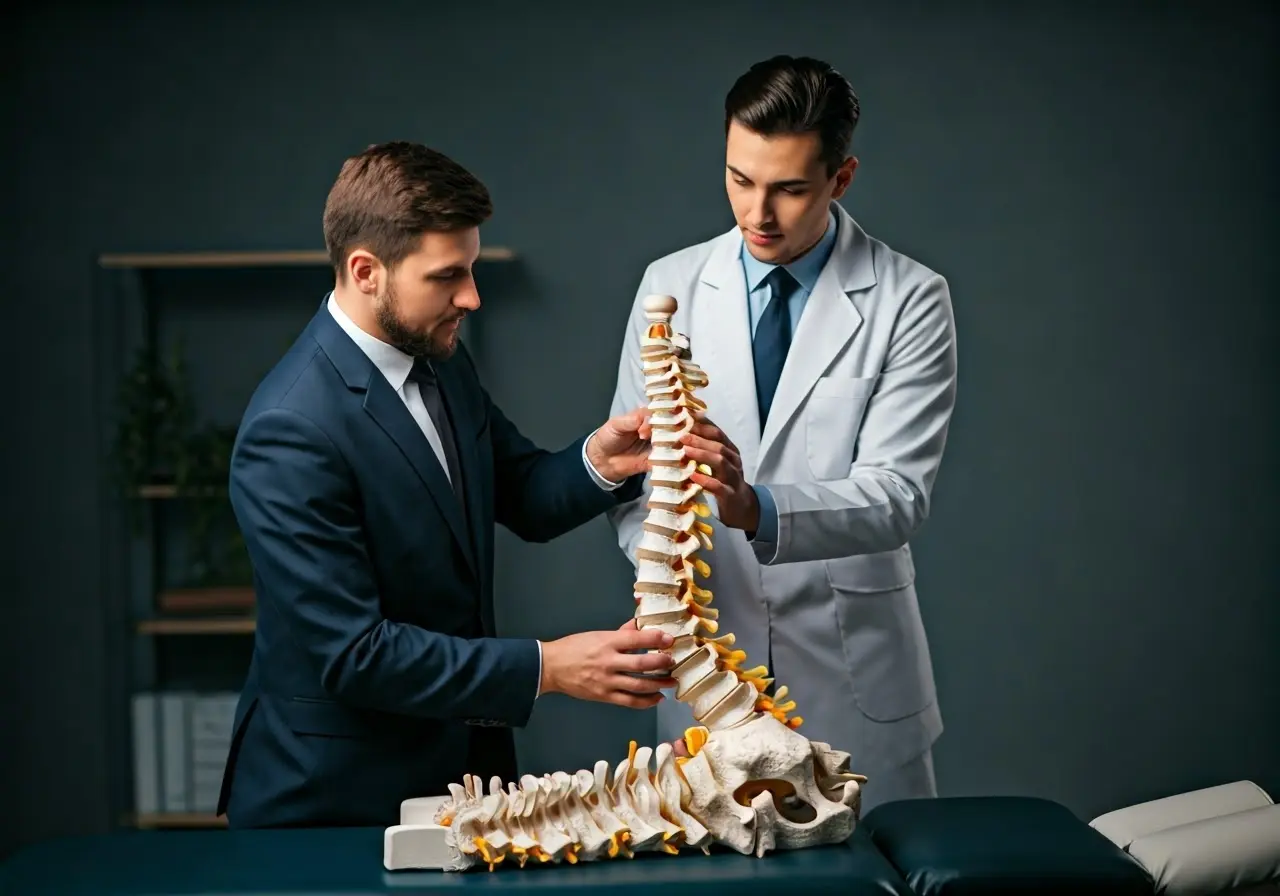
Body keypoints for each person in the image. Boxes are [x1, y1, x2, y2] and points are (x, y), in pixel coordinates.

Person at [217, 141, 687, 829]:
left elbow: (521, 490)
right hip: (330, 802)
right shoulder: (288, 430)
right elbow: (354, 654)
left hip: (461, 776)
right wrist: (547, 668)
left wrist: (603, 460)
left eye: (469, 268)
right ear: (365, 271)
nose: (471, 296)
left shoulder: (440, 359)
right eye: (448, 276)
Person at [606, 55, 958, 813]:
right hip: (706, 680)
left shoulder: (911, 299)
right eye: (739, 179)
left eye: (790, 189)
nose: (757, 213)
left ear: (842, 178)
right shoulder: (668, 286)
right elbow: (638, 481)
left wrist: (756, 508)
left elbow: (897, 495)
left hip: (853, 679)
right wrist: (663, 567)